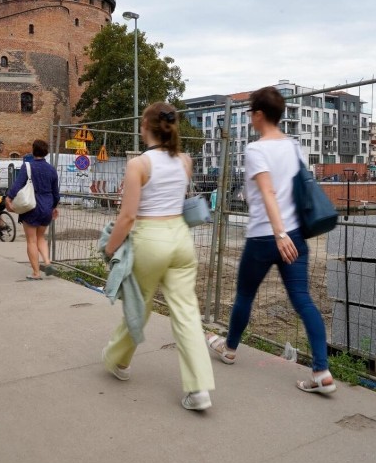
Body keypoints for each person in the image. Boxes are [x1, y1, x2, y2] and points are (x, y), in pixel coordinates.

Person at [206, 86, 336, 395]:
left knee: (245, 295)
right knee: (303, 300)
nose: (250, 118)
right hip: (296, 236)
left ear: (260, 114)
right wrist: (287, 234)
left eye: (251, 112)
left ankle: (230, 350)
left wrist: (277, 234)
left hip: (266, 236)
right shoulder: (293, 147)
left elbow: (267, 192)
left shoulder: (256, 150)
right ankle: (322, 371)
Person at [101, 102, 215, 411]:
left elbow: (127, 217)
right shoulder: (185, 161)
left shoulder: (139, 164)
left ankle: (117, 360)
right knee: (187, 313)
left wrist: (111, 248)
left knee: (140, 303)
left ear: (146, 127)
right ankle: (199, 389)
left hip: (150, 239)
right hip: (181, 238)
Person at [5, 139, 60, 280]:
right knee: (41, 237)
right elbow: (56, 192)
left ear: (33, 150)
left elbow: (18, 185)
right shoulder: (51, 169)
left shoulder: (28, 166)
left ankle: (36, 273)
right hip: (47, 207)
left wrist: (8, 198)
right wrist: (54, 207)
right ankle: (47, 262)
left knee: (31, 240)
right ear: (46, 152)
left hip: (31, 206)